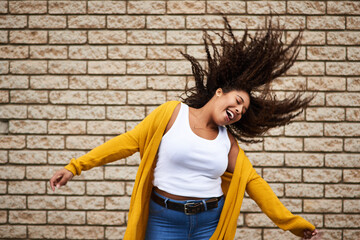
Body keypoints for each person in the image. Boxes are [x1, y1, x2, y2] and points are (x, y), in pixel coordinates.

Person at [50, 17, 319, 240]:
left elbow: (256, 185)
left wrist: (294, 224)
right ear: (219, 92)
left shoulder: (228, 143)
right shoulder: (171, 114)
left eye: (243, 111)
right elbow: (126, 142)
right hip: (164, 221)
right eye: (237, 101)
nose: (238, 110)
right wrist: (75, 166)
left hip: (209, 223)